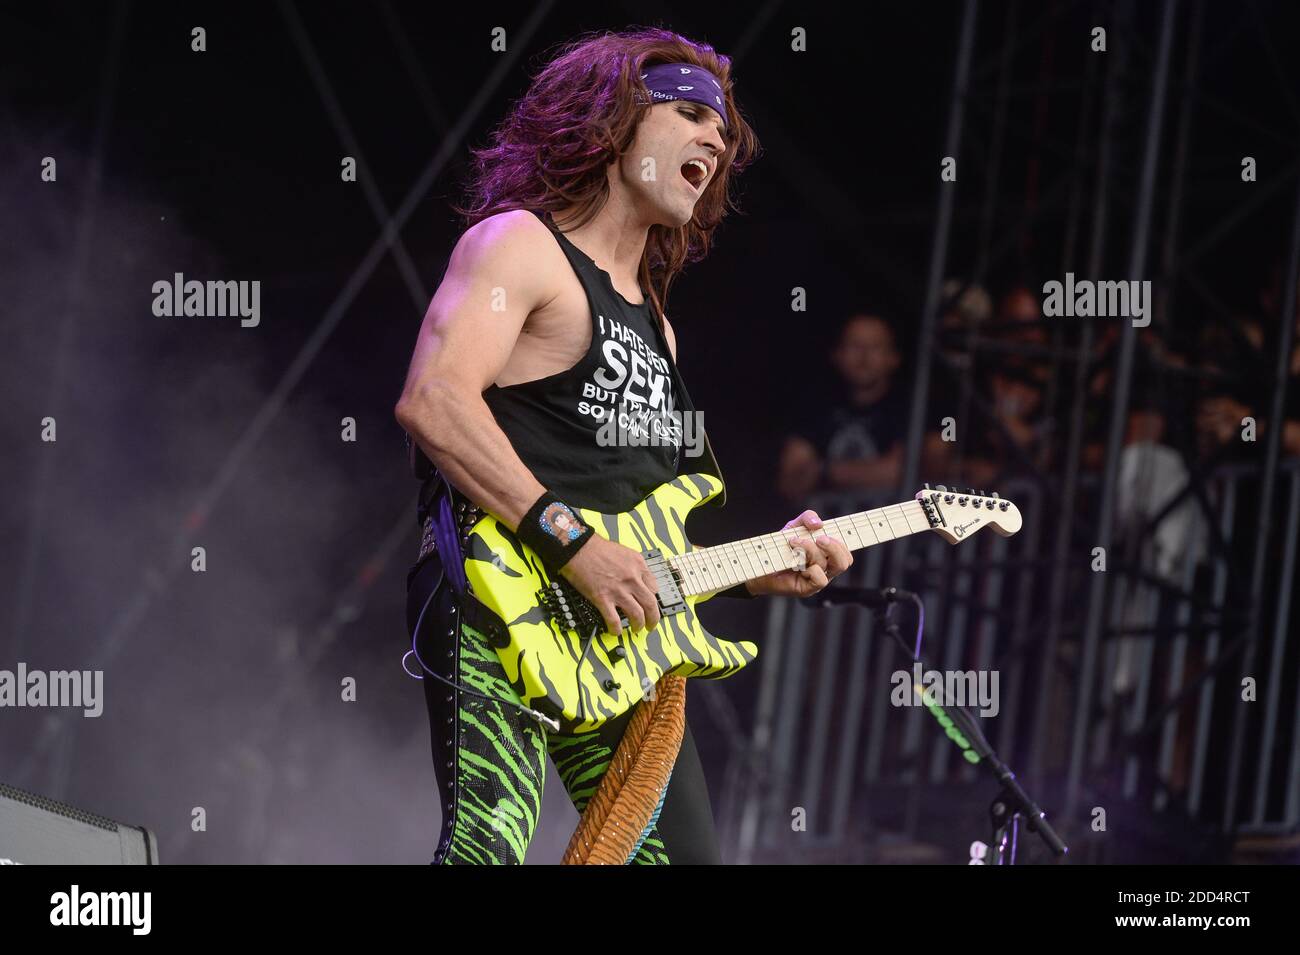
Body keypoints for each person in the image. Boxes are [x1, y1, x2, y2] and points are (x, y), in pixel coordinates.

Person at [394, 28, 852, 865]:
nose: (716, 139)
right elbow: (435, 400)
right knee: (485, 849)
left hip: (618, 642)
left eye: (724, 133)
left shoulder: (660, 330)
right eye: (689, 114)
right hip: (504, 597)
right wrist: (571, 545)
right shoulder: (519, 246)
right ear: (614, 124)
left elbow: (647, 530)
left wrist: (760, 569)